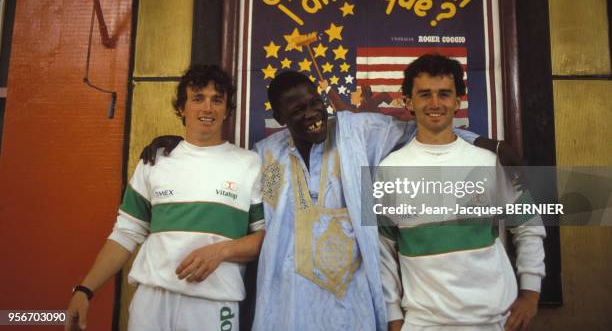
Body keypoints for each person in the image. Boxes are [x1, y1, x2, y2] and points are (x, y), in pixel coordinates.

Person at [141, 70, 517, 330]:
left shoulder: (359, 133)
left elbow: (420, 130)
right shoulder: (267, 155)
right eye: (297, 111)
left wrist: (485, 143)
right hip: (288, 302)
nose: (313, 115)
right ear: (278, 117)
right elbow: (239, 179)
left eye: (315, 103)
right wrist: (177, 145)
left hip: (351, 299)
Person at [65, 65, 264, 331]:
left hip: (214, 303)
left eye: (217, 100)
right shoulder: (154, 160)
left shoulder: (250, 164)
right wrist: (85, 289)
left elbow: (266, 240)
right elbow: (126, 233)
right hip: (151, 300)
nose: (208, 108)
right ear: (182, 108)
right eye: (197, 99)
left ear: (227, 111)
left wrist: (221, 251)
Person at [377, 54, 545, 331]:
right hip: (423, 324)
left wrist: (530, 292)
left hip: (495, 321)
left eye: (444, 94)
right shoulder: (387, 170)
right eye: (424, 94)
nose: (434, 104)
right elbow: (382, 253)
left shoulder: (488, 162)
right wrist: (393, 317)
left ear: (457, 102)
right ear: (408, 102)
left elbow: (528, 225)